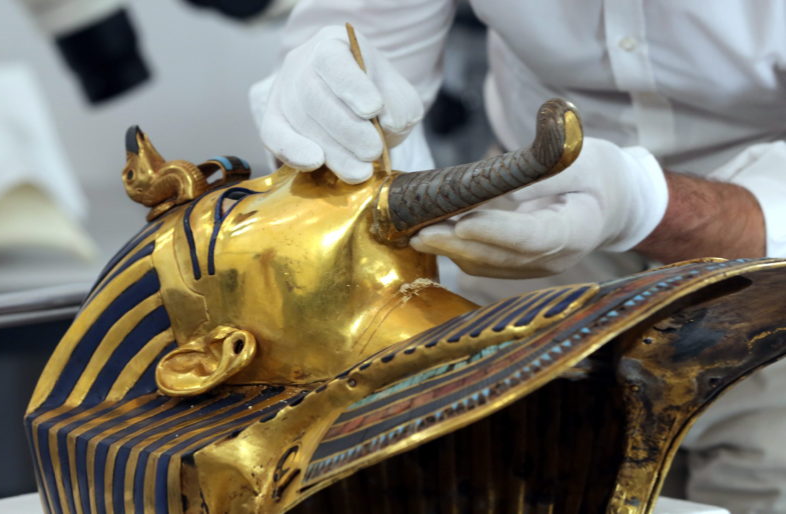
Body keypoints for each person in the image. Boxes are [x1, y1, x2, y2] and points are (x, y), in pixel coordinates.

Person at [249, 2, 786, 512]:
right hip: (529, 216)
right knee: (483, 470)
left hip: (761, 231)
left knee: (761, 477)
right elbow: (360, 50)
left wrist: (645, 203)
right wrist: (327, 114)